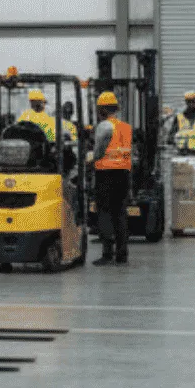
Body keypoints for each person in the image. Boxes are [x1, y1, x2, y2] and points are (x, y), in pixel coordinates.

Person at [88, 90, 131, 266]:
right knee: (120, 213)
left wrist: (89, 161)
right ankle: (122, 254)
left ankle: (107, 253)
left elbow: (98, 152)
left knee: (105, 213)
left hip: (106, 175)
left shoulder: (104, 126)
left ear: (102, 110)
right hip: (123, 174)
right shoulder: (126, 128)